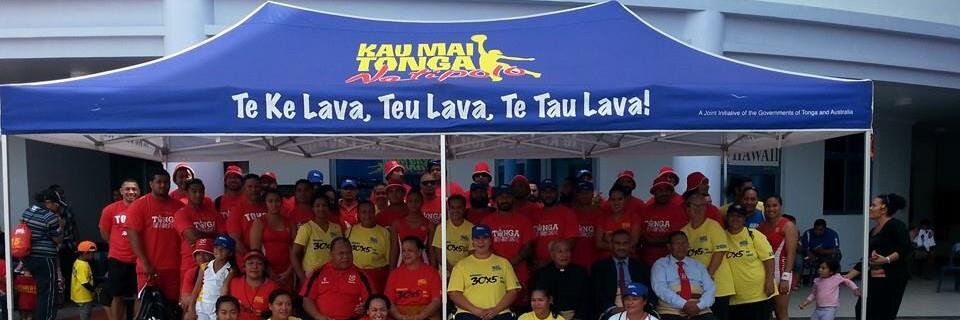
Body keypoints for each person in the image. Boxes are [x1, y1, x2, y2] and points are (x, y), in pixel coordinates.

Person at [126, 169, 185, 303]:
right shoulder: (139, 205)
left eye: (166, 182)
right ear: (151, 184)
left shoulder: (179, 206)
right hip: (149, 268)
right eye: (159, 182)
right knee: (146, 305)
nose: (163, 185)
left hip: (174, 268)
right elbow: (133, 235)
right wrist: (145, 262)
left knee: (171, 306)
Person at [855, 193, 910, 320]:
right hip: (874, 278)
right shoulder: (873, 231)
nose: (870, 208)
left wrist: (886, 259)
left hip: (891, 278)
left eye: (873, 205)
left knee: (883, 313)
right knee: (862, 309)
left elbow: (905, 248)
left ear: (884, 209)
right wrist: (845, 277)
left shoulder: (897, 225)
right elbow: (867, 258)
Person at [448, 224, 521, 320]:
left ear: (490, 241)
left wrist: (495, 310)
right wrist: (477, 311)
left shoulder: (504, 263)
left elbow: (513, 291)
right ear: (472, 242)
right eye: (477, 238)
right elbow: (454, 293)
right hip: (468, 313)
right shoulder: (461, 265)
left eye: (485, 238)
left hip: (500, 313)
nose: (481, 241)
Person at [679, 193, 734, 320]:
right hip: (698, 290)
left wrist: (707, 277)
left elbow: (719, 252)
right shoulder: (683, 232)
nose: (698, 209)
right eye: (695, 206)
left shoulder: (714, 226)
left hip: (719, 287)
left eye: (702, 206)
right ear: (688, 209)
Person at [175, 178, 227, 296]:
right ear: (187, 193)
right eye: (194, 191)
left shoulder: (213, 213)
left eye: (201, 191)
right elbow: (193, 237)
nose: (198, 194)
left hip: (214, 264)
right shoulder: (181, 213)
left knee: (212, 299)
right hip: (191, 264)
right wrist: (213, 235)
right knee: (188, 301)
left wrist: (202, 235)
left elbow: (223, 238)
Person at [724, 203, 776, 320]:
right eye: (732, 215)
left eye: (739, 216)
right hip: (733, 298)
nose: (735, 219)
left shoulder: (754, 235)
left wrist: (769, 281)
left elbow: (769, 259)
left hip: (759, 295)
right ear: (727, 217)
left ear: (744, 219)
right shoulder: (721, 236)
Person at [481, 185, 535, 297]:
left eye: (508, 196)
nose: (504, 199)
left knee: (520, 305)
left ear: (513, 198)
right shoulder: (486, 221)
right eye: (501, 196)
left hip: (519, 273)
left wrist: (509, 264)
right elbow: (483, 246)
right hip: (493, 272)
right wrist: (502, 265)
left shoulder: (524, 221)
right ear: (496, 199)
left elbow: (528, 247)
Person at [98, 178, 140, 320]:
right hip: (117, 259)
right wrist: (117, 244)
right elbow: (104, 233)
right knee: (117, 295)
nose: (131, 192)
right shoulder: (109, 210)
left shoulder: (143, 208)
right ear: (121, 191)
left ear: (139, 191)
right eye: (127, 189)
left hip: (138, 259)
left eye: (134, 189)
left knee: (139, 294)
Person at [302, 237, 372, 320]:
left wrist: (366, 307)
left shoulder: (361, 275)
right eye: (341, 253)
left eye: (349, 253)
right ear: (331, 255)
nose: (346, 257)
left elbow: (372, 301)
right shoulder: (318, 273)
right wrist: (319, 317)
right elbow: (306, 301)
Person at [651, 232, 716, 320]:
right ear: (669, 247)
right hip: (671, 310)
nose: (681, 246)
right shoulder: (660, 264)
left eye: (684, 243)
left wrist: (699, 306)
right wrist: (684, 304)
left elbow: (710, 288)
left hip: (699, 309)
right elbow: (660, 288)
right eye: (677, 243)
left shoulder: (698, 265)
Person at [21, 188, 63, 320]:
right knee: (49, 293)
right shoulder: (50, 217)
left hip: (28, 257)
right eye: (56, 205)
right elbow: (57, 239)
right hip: (45, 258)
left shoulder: (27, 212)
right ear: (48, 202)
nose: (57, 208)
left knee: (40, 291)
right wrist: (60, 225)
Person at [592, 230, 652, 314]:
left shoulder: (641, 266)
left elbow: (648, 291)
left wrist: (641, 307)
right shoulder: (600, 267)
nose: (621, 247)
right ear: (611, 245)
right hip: (611, 310)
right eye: (617, 243)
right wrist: (612, 309)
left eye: (625, 243)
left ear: (630, 245)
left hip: (638, 308)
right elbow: (596, 293)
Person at [757, 195, 797, 320]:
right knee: (765, 313)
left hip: (781, 273)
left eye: (774, 206)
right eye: (768, 206)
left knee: (781, 313)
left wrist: (785, 278)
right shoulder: (761, 227)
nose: (771, 209)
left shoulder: (788, 226)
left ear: (780, 206)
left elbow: (791, 253)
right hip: (765, 274)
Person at [385, 237, 442, 320]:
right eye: (403, 251)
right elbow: (388, 300)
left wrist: (420, 316)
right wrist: (398, 316)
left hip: (426, 316)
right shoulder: (395, 274)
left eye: (410, 250)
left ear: (419, 252)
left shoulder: (431, 272)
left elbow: (436, 301)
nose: (406, 254)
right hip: (400, 316)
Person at [291, 194, 344, 283]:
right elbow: (294, 254)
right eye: (317, 206)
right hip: (312, 275)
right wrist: (302, 278)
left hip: (333, 274)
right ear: (312, 208)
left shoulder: (336, 228)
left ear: (328, 207)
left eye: (324, 205)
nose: (321, 208)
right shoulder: (306, 228)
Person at [531, 240, 589, 320]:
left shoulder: (580, 272)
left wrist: (577, 318)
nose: (564, 255)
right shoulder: (543, 274)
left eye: (567, 251)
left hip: (577, 316)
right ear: (552, 255)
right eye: (560, 251)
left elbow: (586, 298)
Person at [637, 176, 689, 266]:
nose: (664, 193)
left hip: (671, 262)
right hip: (646, 262)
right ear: (654, 192)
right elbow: (641, 237)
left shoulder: (678, 211)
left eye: (667, 190)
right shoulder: (644, 211)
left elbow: (677, 238)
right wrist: (664, 240)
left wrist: (651, 240)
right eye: (660, 190)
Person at [250, 190, 295, 289]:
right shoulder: (259, 222)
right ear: (265, 203)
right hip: (266, 271)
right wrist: (269, 272)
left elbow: (295, 250)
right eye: (270, 201)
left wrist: (289, 272)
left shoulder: (289, 222)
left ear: (281, 202)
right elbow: (255, 252)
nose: (274, 204)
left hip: (287, 272)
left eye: (277, 201)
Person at [531, 179, 579, 268]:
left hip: (561, 265)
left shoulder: (567, 213)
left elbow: (571, 242)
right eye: (545, 192)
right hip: (538, 266)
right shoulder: (535, 215)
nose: (548, 195)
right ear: (540, 194)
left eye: (551, 191)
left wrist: (547, 262)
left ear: (557, 193)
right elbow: (532, 243)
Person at [349, 201, 392, 293]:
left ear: (374, 212)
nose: (367, 215)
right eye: (364, 212)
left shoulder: (384, 233)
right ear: (358, 214)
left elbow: (389, 259)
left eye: (370, 212)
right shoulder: (350, 231)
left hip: (377, 276)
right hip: (355, 275)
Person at [192, 235, 238, 320]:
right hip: (201, 307)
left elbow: (224, 290)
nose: (219, 250)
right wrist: (191, 308)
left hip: (217, 308)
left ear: (230, 253)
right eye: (216, 248)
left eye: (223, 249)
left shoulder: (230, 270)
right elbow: (197, 288)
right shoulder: (205, 266)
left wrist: (221, 309)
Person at [227, 251, 279, 320]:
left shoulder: (273, 287)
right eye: (250, 263)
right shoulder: (234, 283)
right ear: (244, 267)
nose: (254, 267)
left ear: (264, 267)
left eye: (259, 263)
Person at [227, 174, 268, 257]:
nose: (253, 190)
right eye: (250, 187)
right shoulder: (237, 209)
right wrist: (251, 257)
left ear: (261, 188)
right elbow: (235, 239)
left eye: (256, 186)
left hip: (269, 256)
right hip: (246, 259)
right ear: (243, 189)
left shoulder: (268, 206)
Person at [390, 192, 435, 267]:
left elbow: (431, 251)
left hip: (423, 266)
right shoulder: (397, 224)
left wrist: (434, 270)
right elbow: (394, 251)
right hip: (402, 267)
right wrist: (391, 271)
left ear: (422, 202)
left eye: (417, 201)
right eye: (410, 201)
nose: (413, 204)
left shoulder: (429, 225)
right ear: (406, 202)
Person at [433, 195, 473, 272]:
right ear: (448, 209)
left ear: (464, 208)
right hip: (445, 272)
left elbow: (472, 253)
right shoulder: (441, 227)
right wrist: (451, 270)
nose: (456, 210)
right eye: (452, 207)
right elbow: (438, 252)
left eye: (459, 207)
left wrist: (460, 271)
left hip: (465, 271)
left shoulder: (471, 228)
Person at [596, 187, 638, 260]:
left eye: (620, 199)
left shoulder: (634, 217)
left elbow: (634, 242)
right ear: (609, 201)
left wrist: (609, 243)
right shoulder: (602, 217)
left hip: (627, 260)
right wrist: (624, 247)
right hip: (606, 260)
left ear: (625, 200)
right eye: (613, 199)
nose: (616, 203)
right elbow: (598, 244)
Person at [800, 219, 841, 284]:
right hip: (812, 254)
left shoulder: (832, 234)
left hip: (827, 254)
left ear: (825, 229)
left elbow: (836, 249)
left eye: (820, 230)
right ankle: (819, 281)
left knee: (835, 258)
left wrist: (823, 251)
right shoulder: (808, 233)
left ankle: (835, 281)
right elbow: (803, 248)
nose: (817, 232)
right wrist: (809, 253)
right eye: (815, 229)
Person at [572, 181, 600, 271]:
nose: (584, 195)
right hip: (575, 262)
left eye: (587, 192)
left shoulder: (601, 213)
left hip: (596, 262)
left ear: (592, 194)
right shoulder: (570, 214)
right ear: (577, 195)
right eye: (581, 193)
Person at [71, 241, 98, 320]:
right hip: (83, 296)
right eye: (92, 253)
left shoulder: (78, 262)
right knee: (85, 314)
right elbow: (84, 282)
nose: (93, 255)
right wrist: (94, 290)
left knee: (85, 313)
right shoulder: (82, 265)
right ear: (85, 253)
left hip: (80, 294)